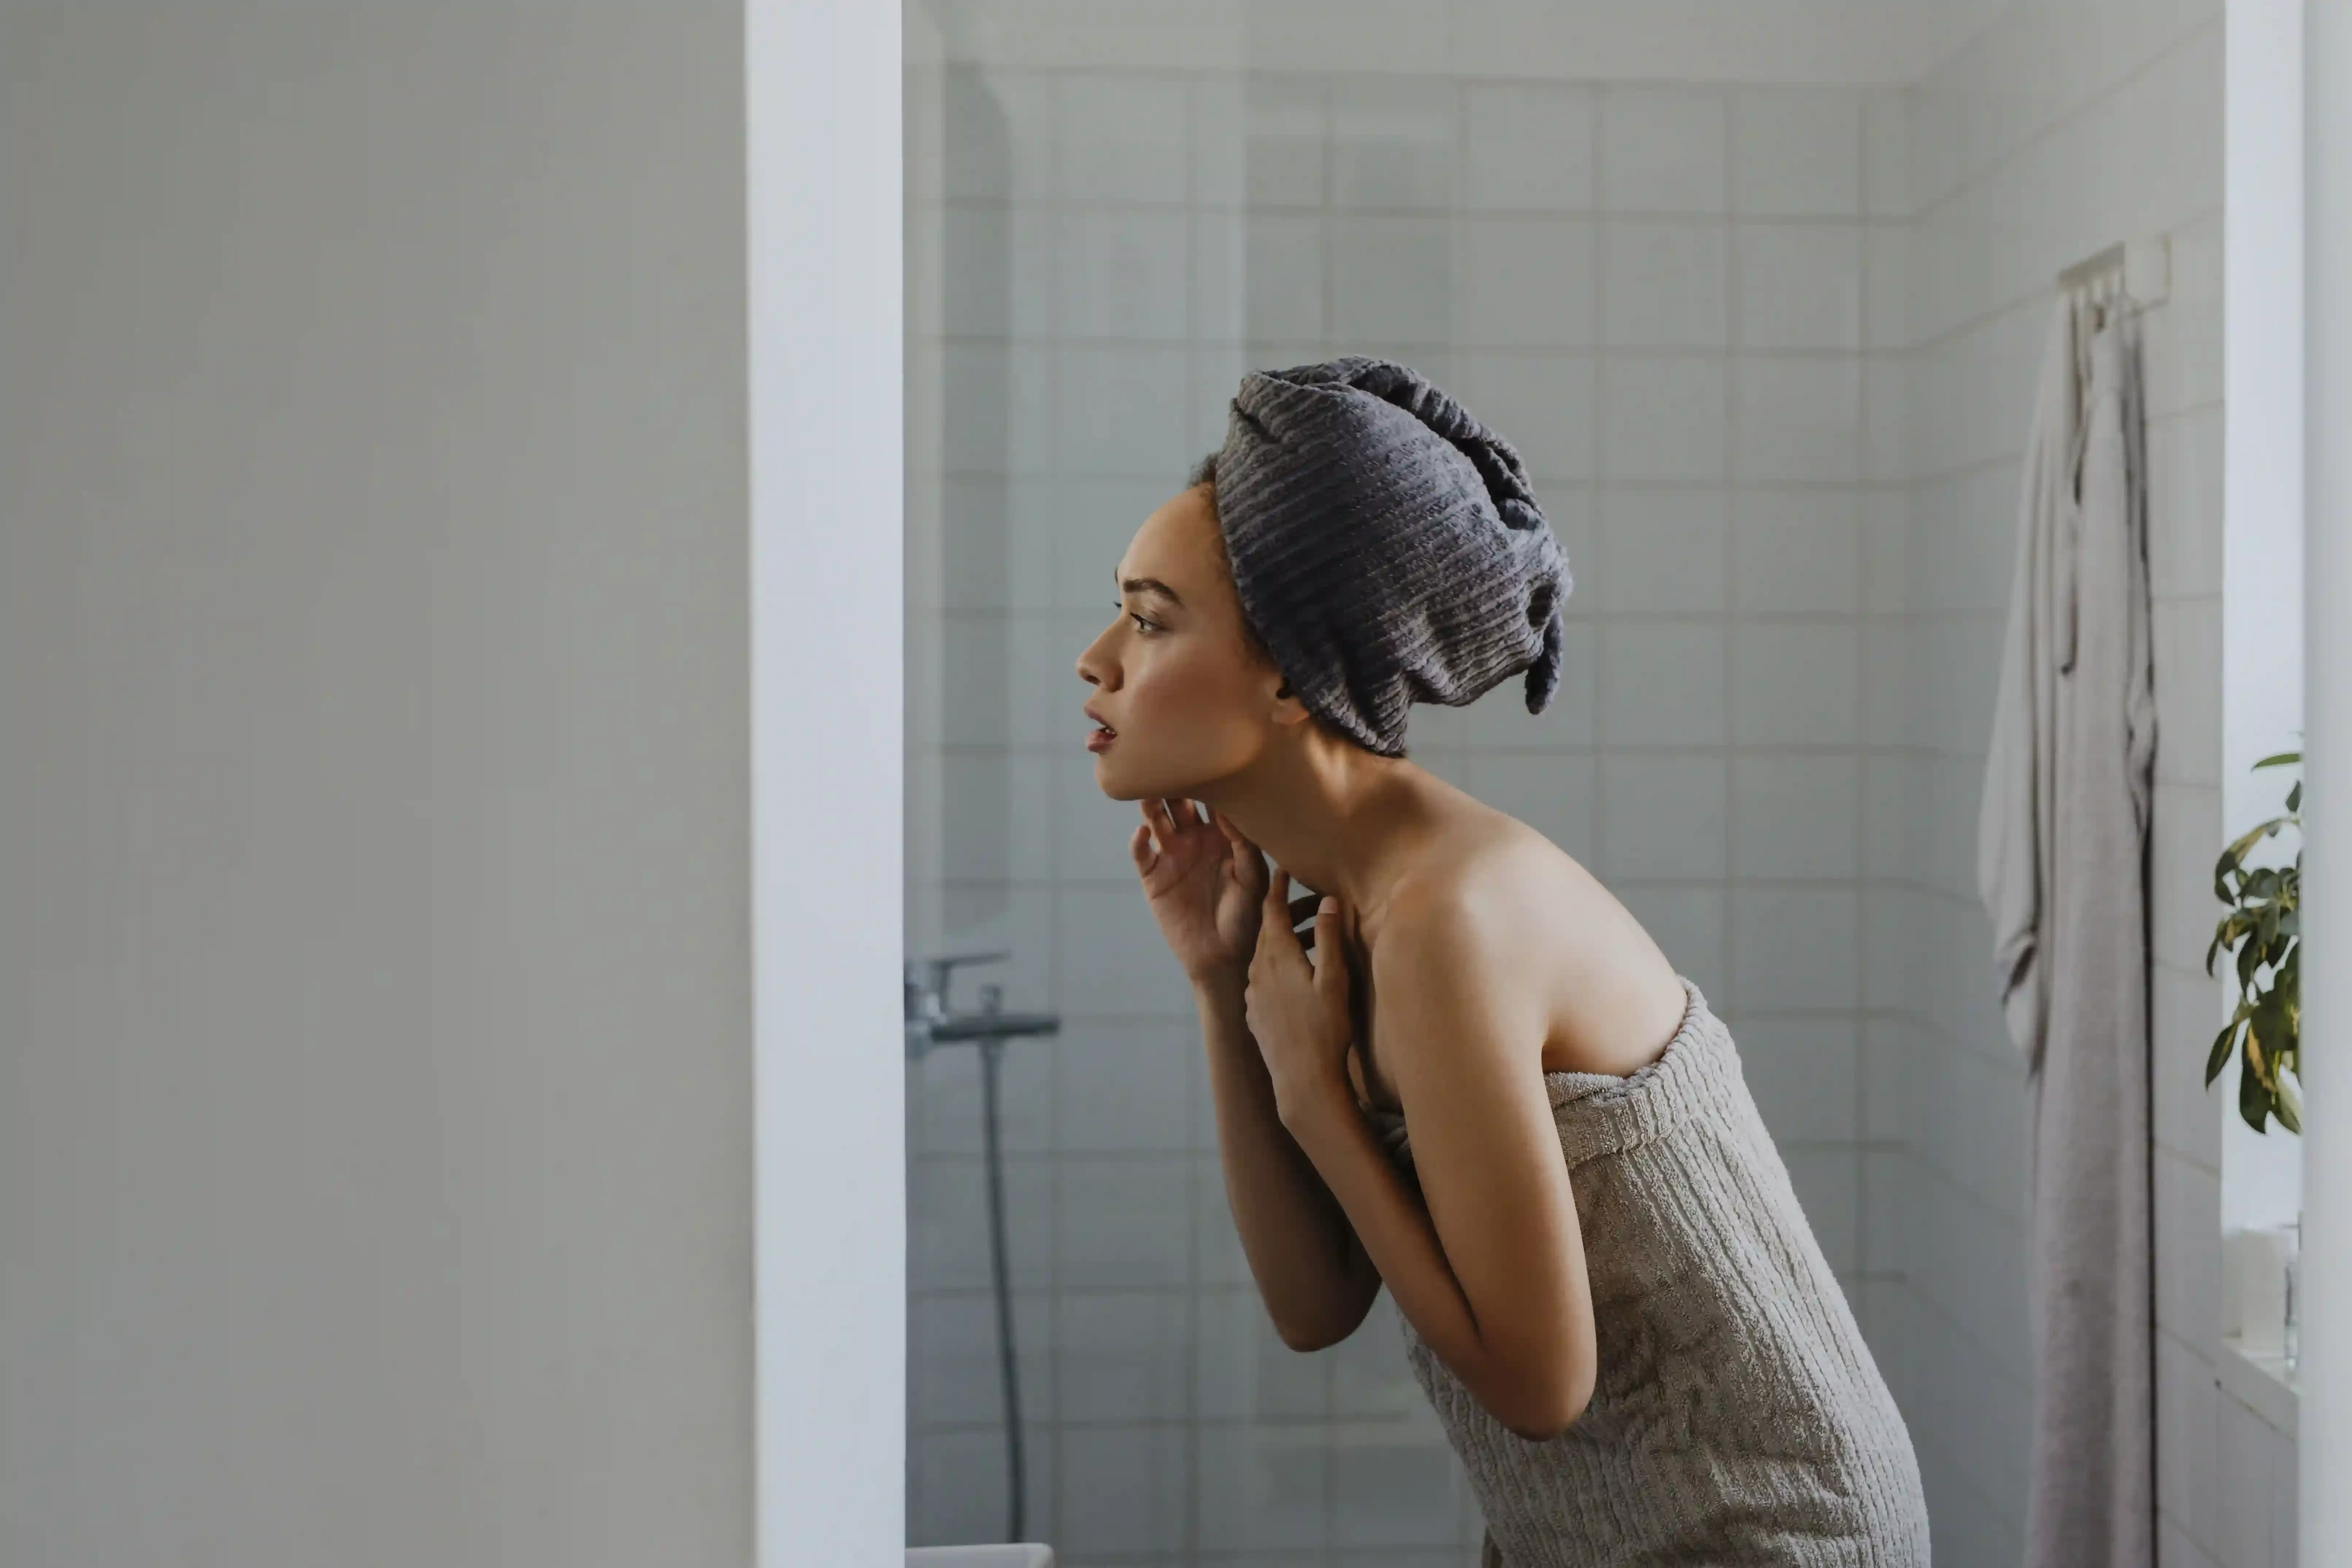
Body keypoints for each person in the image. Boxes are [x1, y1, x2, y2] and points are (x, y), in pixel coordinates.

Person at [1072, 357, 1932, 1567]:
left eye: (1151, 619)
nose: (1097, 658)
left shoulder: (1445, 919)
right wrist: (1225, 996)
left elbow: (1541, 1384)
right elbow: (1315, 1307)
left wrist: (1316, 1094)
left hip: (1761, 1540)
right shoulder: (1354, 898)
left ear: (1289, 676)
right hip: (1592, 1535)